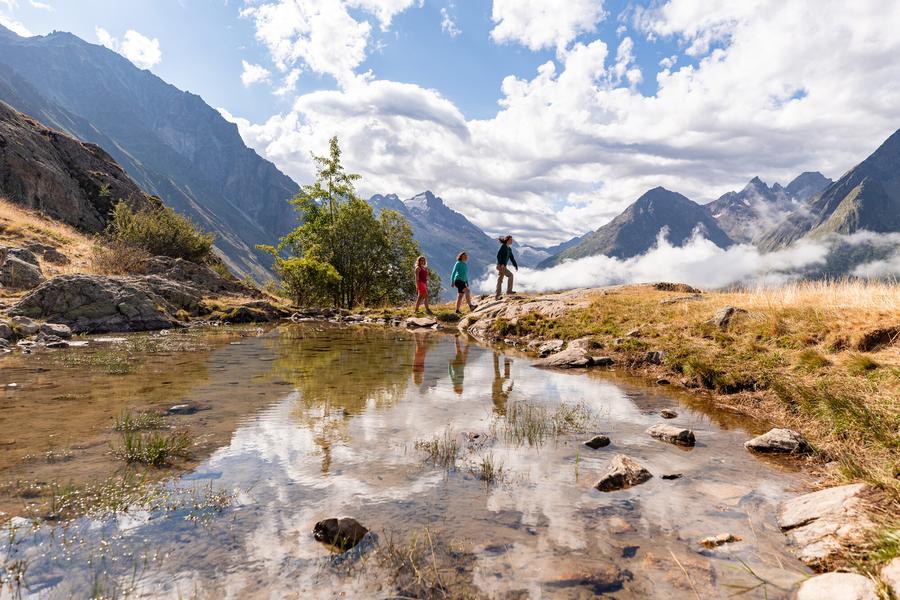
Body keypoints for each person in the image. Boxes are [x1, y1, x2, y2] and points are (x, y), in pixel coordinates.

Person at [495, 235, 518, 299]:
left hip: (503, 266)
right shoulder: (503, 246)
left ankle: (497, 295)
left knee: (500, 280)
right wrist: (501, 263)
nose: (512, 241)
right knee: (510, 275)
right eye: (510, 240)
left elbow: (512, 258)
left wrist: (515, 265)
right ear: (507, 240)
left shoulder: (509, 249)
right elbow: (498, 255)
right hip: (500, 266)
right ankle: (509, 291)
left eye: (512, 240)